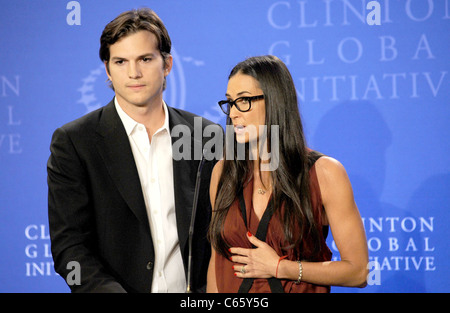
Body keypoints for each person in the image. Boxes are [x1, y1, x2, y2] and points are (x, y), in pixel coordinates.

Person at [47, 8, 220, 293]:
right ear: (107, 70)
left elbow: (222, 233)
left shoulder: (204, 136)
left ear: (167, 64)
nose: (133, 73)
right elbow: (70, 246)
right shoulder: (75, 142)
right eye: (120, 61)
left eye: (145, 59)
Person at [207, 55, 368, 293]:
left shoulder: (324, 173)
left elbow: (358, 272)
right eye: (230, 102)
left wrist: (282, 268)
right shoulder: (223, 172)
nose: (232, 114)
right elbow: (217, 263)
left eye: (244, 101)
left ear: (275, 102)